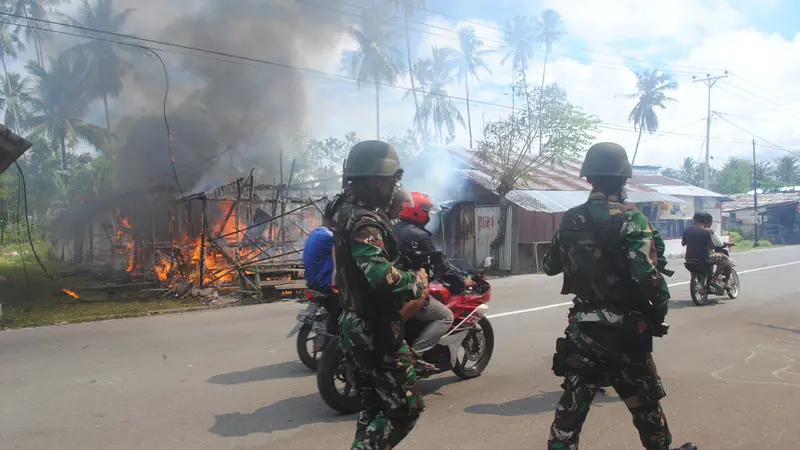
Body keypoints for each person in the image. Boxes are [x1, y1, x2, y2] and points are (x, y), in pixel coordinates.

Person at [542, 142, 696, 450]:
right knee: (644, 399)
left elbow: (549, 266)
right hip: (625, 328)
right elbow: (647, 276)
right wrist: (660, 308)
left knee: (574, 399)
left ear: (588, 179)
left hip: (583, 325)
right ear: (623, 180)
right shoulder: (632, 219)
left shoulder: (570, 219)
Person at [327, 140, 429, 450]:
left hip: (352, 323)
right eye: (390, 179)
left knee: (372, 406)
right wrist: (417, 282)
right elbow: (380, 276)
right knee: (405, 409)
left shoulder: (345, 210)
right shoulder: (365, 222)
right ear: (373, 179)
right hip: (374, 329)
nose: (393, 186)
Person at [394, 191, 472, 370]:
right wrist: (461, 280)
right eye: (426, 210)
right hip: (410, 291)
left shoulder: (394, 229)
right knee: (446, 316)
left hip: (393, 288)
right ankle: (414, 355)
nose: (428, 214)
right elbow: (441, 264)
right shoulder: (420, 235)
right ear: (416, 211)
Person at [682, 212, 718, 289]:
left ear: (695, 220)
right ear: (705, 221)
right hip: (703, 259)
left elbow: (683, 243)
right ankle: (711, 281)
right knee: (715, 262)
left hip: (689, 258)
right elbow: (711, 246)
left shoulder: (687, 230)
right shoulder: (707, 232)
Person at [701, 213, 734, 287]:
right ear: (709, 222)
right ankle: (716, 280)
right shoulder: (709, 231)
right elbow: (719, 243)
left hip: (693, 255)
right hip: (707, 254)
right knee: (727, 260)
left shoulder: (691, 230)